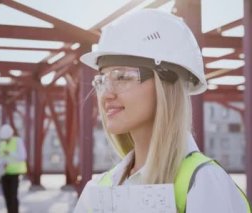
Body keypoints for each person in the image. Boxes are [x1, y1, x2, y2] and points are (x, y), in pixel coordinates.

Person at [74, 9, 250, 213]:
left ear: (165, 85)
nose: (106, 94)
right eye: (103, 80)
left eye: (122, 77)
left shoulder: (205, 183)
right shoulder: (100, 188)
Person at [0, 124, 27, 213]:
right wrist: (2, 163)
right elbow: (0, 157)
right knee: (7, 196)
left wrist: (10, 153)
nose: (5, 140)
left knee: (13, 196)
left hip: (14, 173)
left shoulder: (18, 141)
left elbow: (22, 156)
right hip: (4, 173)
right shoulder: (2, 143)